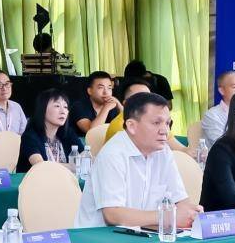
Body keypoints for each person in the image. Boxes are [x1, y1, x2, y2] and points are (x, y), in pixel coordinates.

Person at [75, 92, 201, 228]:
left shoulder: (163, 151)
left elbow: (180, 200)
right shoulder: (112, 154)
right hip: (101, 236)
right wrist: (166, 217)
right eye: (156, 123)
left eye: (167, 123)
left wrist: (190, 213)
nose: (165, 130)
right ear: (131, 126)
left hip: (143, 232)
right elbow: (112, 215)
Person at [19, 90, 83, 173]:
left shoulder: (68, 133)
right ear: (43, 109)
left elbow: (85, 157)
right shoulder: (29, 137)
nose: (63, 111)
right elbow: (40, 165)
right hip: (36, 180)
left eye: (65, 107)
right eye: (57, 106)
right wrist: (73, 167)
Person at [70, 71, 120, 137]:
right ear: (90, 91)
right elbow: (91, 132)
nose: (106, 92)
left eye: (109, 88)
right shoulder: (79, 107)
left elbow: (128, 125)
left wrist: (119, 104)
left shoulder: (112, 107)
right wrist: (106, 108)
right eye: (101, 87)